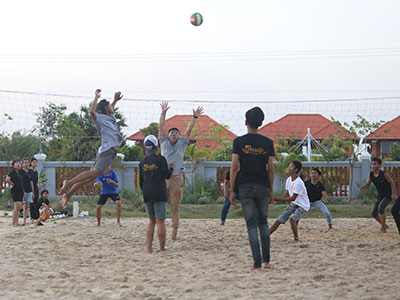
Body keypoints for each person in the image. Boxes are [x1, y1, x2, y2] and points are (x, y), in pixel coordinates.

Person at [60, 89, 124, 206]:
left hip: (105, 151)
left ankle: (68, 194)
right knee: (93, 174)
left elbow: (110, 109)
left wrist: (115, 100)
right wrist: (96, 97)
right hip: (108, 151)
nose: (112, 107)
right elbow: (92, 112)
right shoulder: (100, 118)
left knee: (90, 177)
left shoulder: (110, 117)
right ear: (106, 108)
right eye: (110, 105)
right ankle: (68, 183)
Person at [230, 107, 275, 270]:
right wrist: (271, 190)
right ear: (261, 123)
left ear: (245, 122)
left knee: (251, 225)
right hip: (262, 185)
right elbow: (270, 168)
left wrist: (231, 191)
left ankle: (256, 264)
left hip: (245, 186)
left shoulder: (239, 142)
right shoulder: (267, 143)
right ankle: (266, 261)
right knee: (263, 223)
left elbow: (234, 167)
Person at [158, 101, 204, 241]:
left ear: (178, 136)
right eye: (172, 132)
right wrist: (164, 112)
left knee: (175, 207)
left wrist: (194, 117)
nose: (174, 134)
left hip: (177, 179)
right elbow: (161, 126)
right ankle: (160, 230)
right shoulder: (164, 142)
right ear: (168, 135)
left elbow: (189, 130)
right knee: (160, 205)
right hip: (163, 179)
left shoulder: (182, 143)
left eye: (176, 133)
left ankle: (174, 232)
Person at [139, 135, 175, 253]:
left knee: (151, 221)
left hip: (147, 193)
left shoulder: (142, 162)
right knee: (160, 221)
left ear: (146, 148)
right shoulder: (161, 159)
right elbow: (167, 175)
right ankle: (162, 248)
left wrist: (145, 191)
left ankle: (148, 248)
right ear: (157, 147)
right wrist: (171, 168)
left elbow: (141, 182)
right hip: (159, 192)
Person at [270, 161, 310, 242]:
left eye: (291, 166)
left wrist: (277, 199)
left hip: (303, 205)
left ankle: (296, 238)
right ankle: (266, 235)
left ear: (296, 170)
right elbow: (288, 193)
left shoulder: (298, 182)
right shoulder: (289, 180)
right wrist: (277, 200)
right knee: (279, 220)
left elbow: (293, 198)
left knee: (292, 219)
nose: (288, 168)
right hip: (294, 203)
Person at [359, 157, 396, 233]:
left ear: (379, 165)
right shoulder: (371, 174)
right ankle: (384, 225)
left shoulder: (384, 174)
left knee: (381, 208)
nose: (373, 165)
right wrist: (363, 187)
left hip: (387, 195)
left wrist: (393, 194)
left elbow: (392, 183)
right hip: (380, 195)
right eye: (372, 164)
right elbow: (368, 184)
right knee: (373, 213)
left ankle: (383, 228)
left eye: (375, 164)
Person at [6, 160, 24, 226]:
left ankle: (16, 222)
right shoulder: (12, 172)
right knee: (17, 206)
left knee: (19, 207)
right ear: (13, 165)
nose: (18, 164)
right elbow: (7, 179)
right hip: (15, 191)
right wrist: (12, 184)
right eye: (16, 163)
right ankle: (14, 222)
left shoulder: (19, 173)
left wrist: (24, 192)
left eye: (19, 163)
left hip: (20, 191)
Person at [20, 157, 34, 226]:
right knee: (20, 205)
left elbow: (31, 182)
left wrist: (33, 191)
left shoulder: (30, 172)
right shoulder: (20, 172)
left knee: (26, 206)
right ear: (22, 164)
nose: (26, 164)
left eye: (28, 163)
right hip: (23, 190)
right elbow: (20, 182)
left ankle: (24, 221)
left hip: (29, 190)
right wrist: (23, 191)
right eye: (25, 163)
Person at [30, 157, 40, 224]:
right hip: (31, 187)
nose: (35, 164)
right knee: (32, 204)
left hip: (36, 187)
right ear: (31, 163)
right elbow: (31, 181)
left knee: (36, 202)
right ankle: (32, 218)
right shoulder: (30, 171)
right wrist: (32, 191)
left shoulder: (36, 171)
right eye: (33, 162)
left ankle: (37, 217)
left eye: (36, 162)